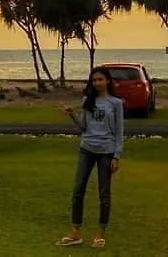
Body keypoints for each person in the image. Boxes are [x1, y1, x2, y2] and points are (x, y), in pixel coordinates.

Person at [56, 66, 124, 249]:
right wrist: (72, 115)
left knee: (104, 194)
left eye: (100, 79)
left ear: (107, 81)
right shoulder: (88, 100)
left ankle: (100, 233)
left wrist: (116, 156)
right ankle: (75, 232)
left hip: (106, 152)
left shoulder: (115, 103)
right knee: (78, 191)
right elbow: (83, 127)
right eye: (94, 80)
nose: (97, 83)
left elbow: (119, 132)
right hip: (86, 149)